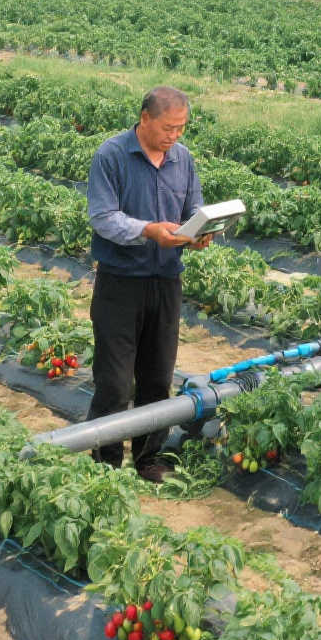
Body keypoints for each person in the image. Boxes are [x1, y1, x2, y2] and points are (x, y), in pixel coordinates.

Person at [84, 85, 210, 481]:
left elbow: (193, 209)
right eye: (169, 128)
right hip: (121, 282)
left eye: (181, 128)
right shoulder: (112, 156)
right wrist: (149, 231)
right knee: (115, 381)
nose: (175, 136)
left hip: (166, 281)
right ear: (145, 119)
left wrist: (200, 232)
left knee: (157, 377)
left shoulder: (183, 160)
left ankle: (148, 459)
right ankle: (106, 463)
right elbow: (102, 217)